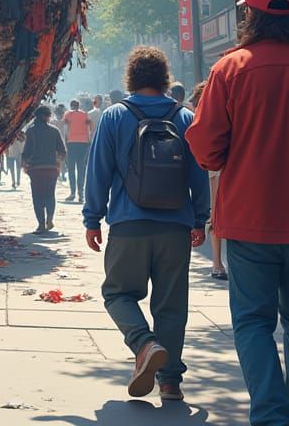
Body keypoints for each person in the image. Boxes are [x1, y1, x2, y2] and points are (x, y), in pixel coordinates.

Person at [186, 0, 289, 426]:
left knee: (253, 321)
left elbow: (205, 146)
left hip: (249, 218)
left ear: (249, 15)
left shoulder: (230, 69)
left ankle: (272, 416)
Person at [83, 45, 209, 403]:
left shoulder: (114, 116)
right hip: (176, 228)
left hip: (129, 225)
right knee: (171, 306)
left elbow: (98, 171)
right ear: (165, 77)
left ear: (131, 77)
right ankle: (170, 383)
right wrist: (200, 219)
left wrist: (92, 218)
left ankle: (144, 344)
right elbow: (199, 174)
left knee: (117, 294)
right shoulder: (184, 117)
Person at [189, 81, 227, 281]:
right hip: (217, 167)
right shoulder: (206, 112)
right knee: (216, 216)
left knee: (216, 214)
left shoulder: (207, 112)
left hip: (217, 166)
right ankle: (217, 263)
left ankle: (218, 263)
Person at [22, 107, 66, 234]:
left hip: (35, 169)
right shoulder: (54, 130)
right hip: (51, 169)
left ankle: (41, 224)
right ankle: (50, 219)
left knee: (37, 196)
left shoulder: (31, 131)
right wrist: (58, 163)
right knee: (50, 195)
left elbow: (26, 152)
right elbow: (62, 151)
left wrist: (25, 164)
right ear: (46, 117)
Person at [63, 99, 92, 203]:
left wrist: (65, 142)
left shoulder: (67, 114)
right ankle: (81, 194)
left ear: (71, 105)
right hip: (83, 143)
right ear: (78, 106)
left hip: (71, 143)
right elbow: (89, 129)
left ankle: (72, 193)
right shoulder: (85, 115)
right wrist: (89, 141)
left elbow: (65, 129)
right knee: (81, 169)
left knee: (71, 168)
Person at [53, 103, 69, 181]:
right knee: (62, 160)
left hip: (54, 143)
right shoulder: (65, 122)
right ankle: (62, 174)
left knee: (56, 159)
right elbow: (67, 133)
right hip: (63, 142)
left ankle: (58, 174)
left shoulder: (52, 122)